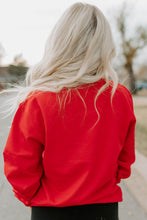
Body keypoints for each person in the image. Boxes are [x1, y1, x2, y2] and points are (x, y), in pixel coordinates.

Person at [2, 2, 136, 220]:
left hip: (50, 209)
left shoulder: (38, 100)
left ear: (58, 43)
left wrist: (34, 196)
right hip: (104, 209)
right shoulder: (119, 97)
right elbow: (125, 159)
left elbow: (19, 165)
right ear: (105, 46)